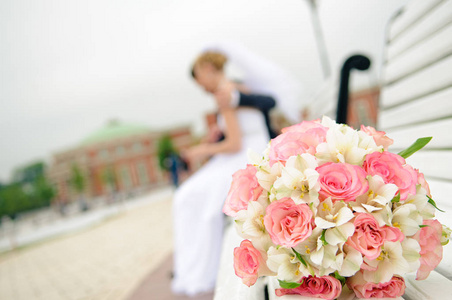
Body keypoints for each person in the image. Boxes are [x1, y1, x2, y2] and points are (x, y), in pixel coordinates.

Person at [171, 50, 273, 296]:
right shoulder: (237, 88)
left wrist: (200, 150)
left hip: (246, 152)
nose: (199, 86)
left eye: (198, 79)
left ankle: (198, 268)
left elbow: (235, 144)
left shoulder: (224, 94)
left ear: (207, 70)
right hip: (256, 147)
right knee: (193, 195)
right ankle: (199, 266)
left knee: (187, 196)